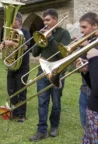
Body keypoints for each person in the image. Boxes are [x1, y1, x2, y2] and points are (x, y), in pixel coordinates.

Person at [30, 8, 71, 141]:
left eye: (47, 20)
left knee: (56, 102)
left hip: (57, 72)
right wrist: (39, 40)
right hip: (42, 71)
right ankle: (41, 130)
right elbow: (35, 53)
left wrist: (51, 38)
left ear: (55, 20)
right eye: (44, 20)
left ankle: (54, 126)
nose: (45, 23)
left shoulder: (64, 34)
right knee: (42, 102)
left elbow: (61, 54)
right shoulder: (43, 33)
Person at [0, 12, 31, 122]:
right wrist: (2, 46)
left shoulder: (25, 32)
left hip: (22, 66)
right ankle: (14, 110)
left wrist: (11, 43)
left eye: (14, 21)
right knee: (11, 90)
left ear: (19, 21)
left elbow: (26, 47)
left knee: (21, 90)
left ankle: (22, 114)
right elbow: (5, 46)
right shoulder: (9, 33)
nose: (11, 23)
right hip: (11, 66)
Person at [75, 12, 98, 143]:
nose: (81, 31)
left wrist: (90, 51)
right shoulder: (86, 43)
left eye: (84, 27)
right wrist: (83, 70)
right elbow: (87, 69)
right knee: (87, 127)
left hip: (95, 95)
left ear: (95, 26)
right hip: (86, 91)